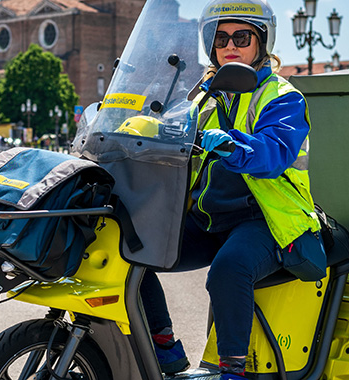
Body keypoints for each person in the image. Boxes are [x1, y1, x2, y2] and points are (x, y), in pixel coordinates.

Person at [139, 0, 324, 378]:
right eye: (221, 37)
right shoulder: (205, 96)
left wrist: (230, 143)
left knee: (228, 269)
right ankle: (163, 348)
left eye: (242, 36)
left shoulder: (282, 97)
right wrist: (135, 130)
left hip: (268, 219)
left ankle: (233, 371)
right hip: (210, 216)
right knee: (133, 249)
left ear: (261, 43)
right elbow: (171, 131)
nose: (230, 45)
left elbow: (274, 153)